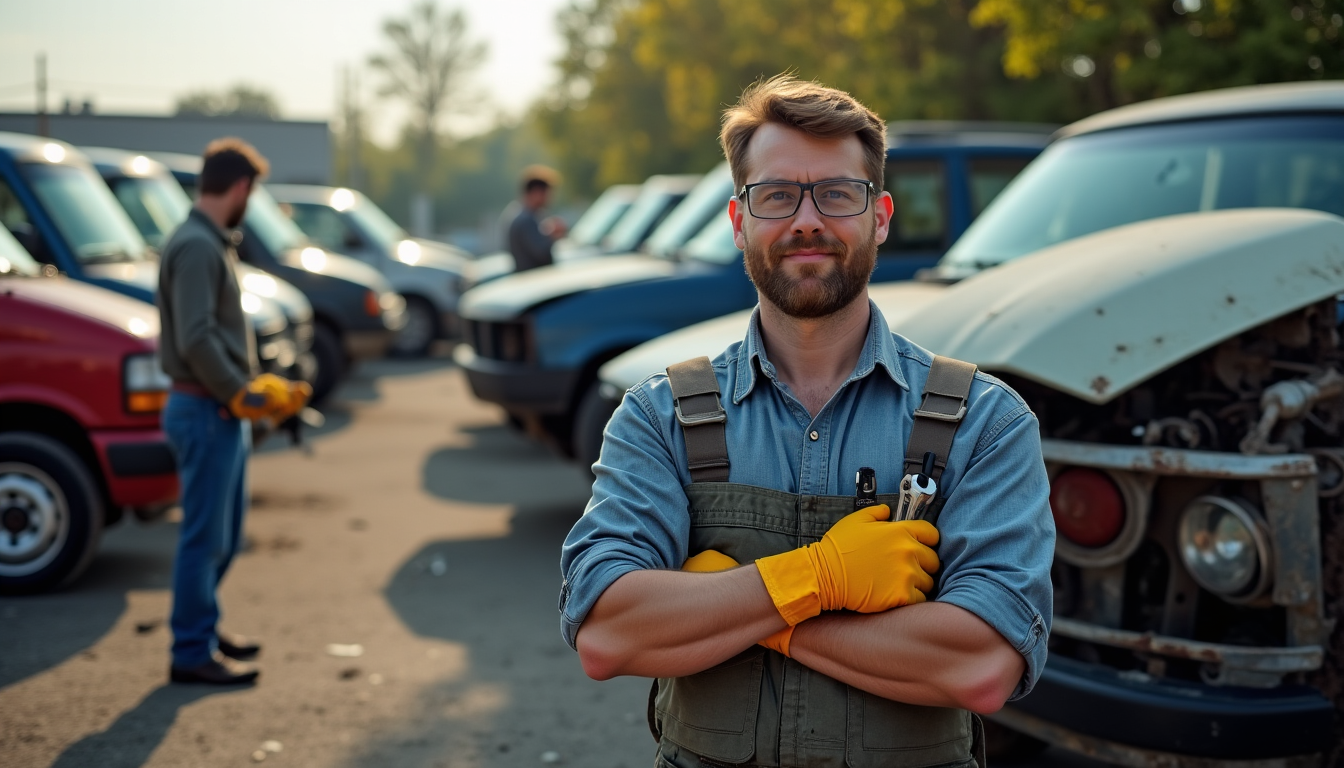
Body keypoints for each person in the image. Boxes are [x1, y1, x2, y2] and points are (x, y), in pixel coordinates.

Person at [559, 76, 1055, 767]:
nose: (806, 221)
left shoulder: (986, 421)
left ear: (880, 216)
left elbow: (980, 666)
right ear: (739, 221)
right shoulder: (658, 415)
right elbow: (608, 633)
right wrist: (821, 576)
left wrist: (744, 610)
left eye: (837, 194)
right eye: (776, 195)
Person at [158, 138, 310, 685]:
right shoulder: (198, 246)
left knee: (220, 538)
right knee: (204, 540)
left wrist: (249, 389)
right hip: (206, 410)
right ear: (241, 188)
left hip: (218, 411)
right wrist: (237, 393)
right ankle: (190, 651)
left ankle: (202, 628)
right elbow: (196, 337)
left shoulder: (207, 241)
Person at [505, 165, 565, 271]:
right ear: (536, 192)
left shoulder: (520, 214)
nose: (550, 198)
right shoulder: (526, 220)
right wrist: (553, 235)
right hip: (532, 277)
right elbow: (542, 254)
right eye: (547, 193)